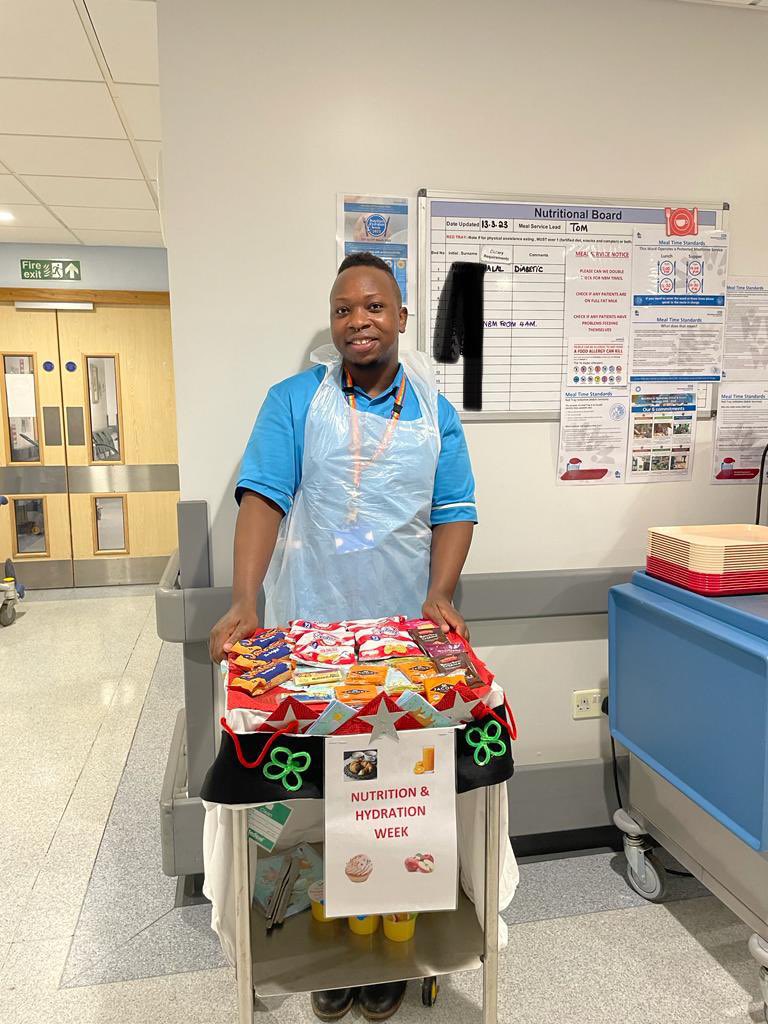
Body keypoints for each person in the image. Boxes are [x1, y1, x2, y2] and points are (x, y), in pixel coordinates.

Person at [210, 251, 479, 1021]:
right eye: (341, 310)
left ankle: (390, 939)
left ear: (399, 317)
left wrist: (438, 595)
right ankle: (334, 940)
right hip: (315, 631)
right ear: (332, 325)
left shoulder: (435, 412)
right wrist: (244, 601)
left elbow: (455, 507)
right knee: (324, 792)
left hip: (403, 641)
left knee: (397, 788)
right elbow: (262, 495)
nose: (357, 320)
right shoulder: (295, 400)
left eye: (372, 307)